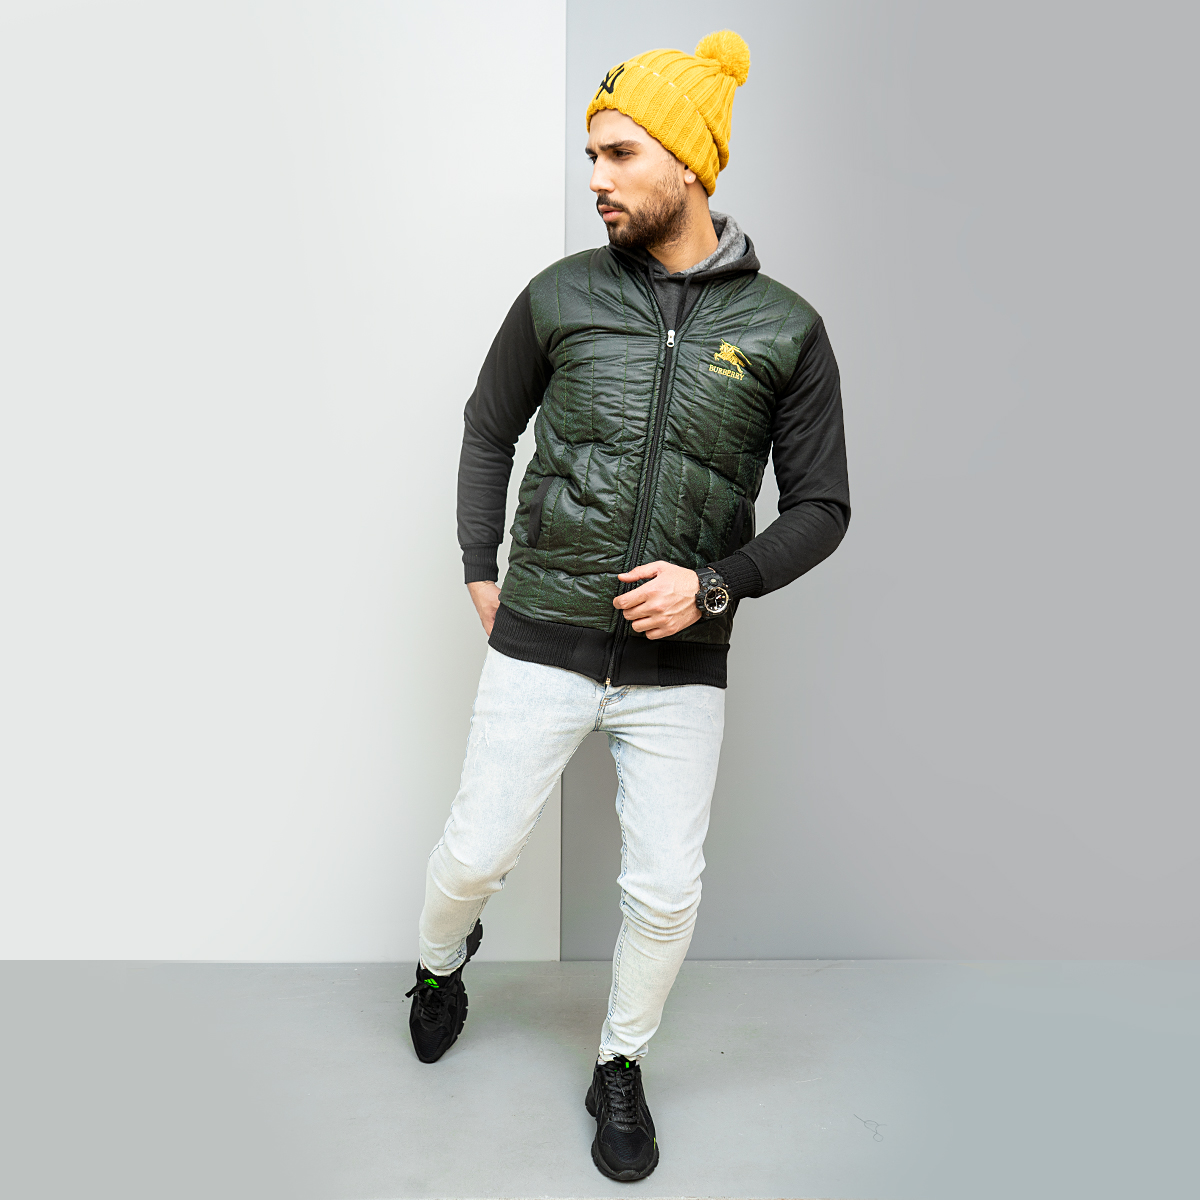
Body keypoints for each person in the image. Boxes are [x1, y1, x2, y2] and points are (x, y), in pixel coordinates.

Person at [405, 29, 850, 1183]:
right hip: (542, 636)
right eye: (590, 154)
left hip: (678, 664)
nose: (594, 177)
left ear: (689, 165)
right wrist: (478, 559)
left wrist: (715, 585)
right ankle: (441, 963)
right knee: (471, 857)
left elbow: (822, 507)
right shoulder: (559, 296)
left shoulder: (786, 329)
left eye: (618, 154)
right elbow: (488, 427)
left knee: (663, 892)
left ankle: (619, 1062)